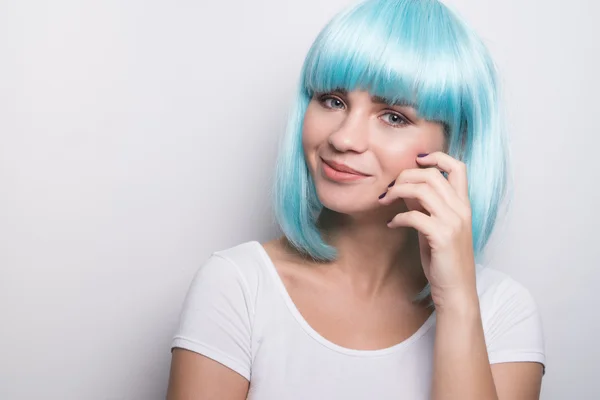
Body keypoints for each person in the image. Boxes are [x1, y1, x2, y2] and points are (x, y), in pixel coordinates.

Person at [166, 0, 546, 398]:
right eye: (333, 100)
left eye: (394, 116)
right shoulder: (237, 286)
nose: (343, 138)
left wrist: (456, 304)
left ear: (457, 142)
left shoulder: (503, 312)